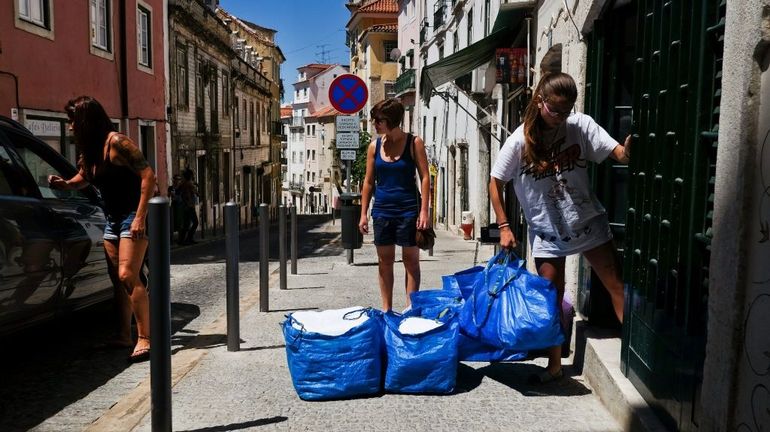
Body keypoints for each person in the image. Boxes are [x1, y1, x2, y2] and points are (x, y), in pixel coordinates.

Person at [489, 72, 631, 384]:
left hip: (587, 221)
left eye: (566, 111)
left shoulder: (580, 125)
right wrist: (504, 226)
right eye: (556, 111)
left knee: (616, 285)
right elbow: (495, 182)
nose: (561, 118)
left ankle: (631, 356)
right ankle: (554, 365)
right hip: (547, 230)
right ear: (540, 102)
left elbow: (616, 152)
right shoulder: (518, 142)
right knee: (551, 298)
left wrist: (628, 151)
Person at [49, 96, 156, 363]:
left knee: (128, 275)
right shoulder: (91, 149)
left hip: (132, 216)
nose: (71, 127)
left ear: (86, 120)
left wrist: (140, 217)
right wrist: (65, 184)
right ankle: (122, 335)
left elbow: (148, 176)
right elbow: (84, 177)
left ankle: (146, 338)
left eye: (73, 121)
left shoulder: (117, 143)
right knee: (118, 281)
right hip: (111, 218)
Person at [358, 98, 431, 311]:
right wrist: (363, 213)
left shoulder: (414, 143)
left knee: (411, 261)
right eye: (374, 120)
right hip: (382, 210)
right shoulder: (375, 146)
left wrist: (424, 211)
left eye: (378, 120)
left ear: (391, 120)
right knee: (385, 261)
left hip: (409, 209)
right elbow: (369, 181)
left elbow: (425, 177)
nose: (375, 124)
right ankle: (387, 310)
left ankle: (411, 309)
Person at [177, 168, 199, 245]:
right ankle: (188, 238)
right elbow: (196, 193)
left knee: (186, 224)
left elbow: (179, 192)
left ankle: (182, 240)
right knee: (195, 222)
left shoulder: (183, 184)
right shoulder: (189, 184)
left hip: (185, 205)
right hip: (189, 206)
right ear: (190, 176)